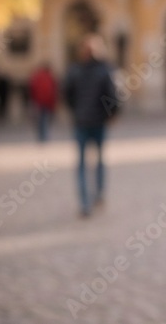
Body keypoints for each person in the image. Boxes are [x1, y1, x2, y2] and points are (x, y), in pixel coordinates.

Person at [64, 34, 119, 217]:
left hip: (83, 120)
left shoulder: (75, 70)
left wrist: (76, 111)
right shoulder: (104, 69)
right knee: (98, 160)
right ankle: (98, 194)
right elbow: (112, 95)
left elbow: (67, 95)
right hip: (96, 120)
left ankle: (86, 202)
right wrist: (111, 114)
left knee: (83, 163)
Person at [28, 61, 58, 142]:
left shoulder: (36, 77)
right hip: (46, 102)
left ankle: (41, 135)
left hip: (39, 102)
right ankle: (44, 136)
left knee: (40, 119)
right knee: (44, 119)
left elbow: (32, 89)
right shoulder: (50, 77)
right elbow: (53, 91)